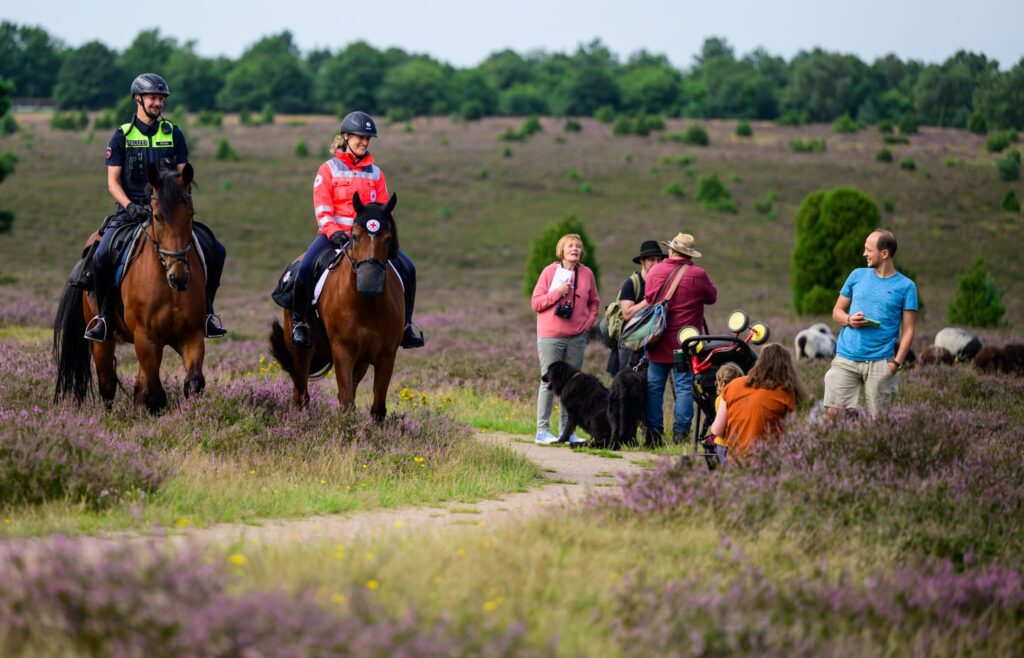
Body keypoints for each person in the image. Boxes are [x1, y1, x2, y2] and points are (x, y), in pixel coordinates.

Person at [85, 73, 227, 342]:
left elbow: (184, 175)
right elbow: (112, 183)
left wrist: (182, 201)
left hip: (169, 215)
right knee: (101, 255)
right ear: (138, 98)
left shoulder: (173, 133)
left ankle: (207, 313)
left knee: (217, 250)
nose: (158, 103)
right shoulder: (121, 136)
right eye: (153, 98)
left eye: (161, 98)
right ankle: (103, 318)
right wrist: (129, 206)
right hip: (131, 213)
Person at [291, 111, 424, 350]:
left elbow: (385, 210)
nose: (363, 142)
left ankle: (406, 327)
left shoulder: (376, 173)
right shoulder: (328, 169)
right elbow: (322, 208)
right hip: (335, 237)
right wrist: (333, 231)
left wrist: (384, 233)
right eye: (359, 137)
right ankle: (299, 323)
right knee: (305, 267)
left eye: (367, 138)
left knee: (409, 269)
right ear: (345, 136)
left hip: (369, 241)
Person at [824, 229, 917, 418]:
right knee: (833, 415)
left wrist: (896, 364)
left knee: (878, 422)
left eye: (868, 250)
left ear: (884, 254)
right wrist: (849, 320)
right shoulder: (857, 275)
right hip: (846, 359)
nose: (864, 253)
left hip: (881, 363)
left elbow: (908, 330)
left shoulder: (907, 287)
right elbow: (836, 312)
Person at [643, 233, 717, 447]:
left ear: (671, 250)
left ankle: (654, 436)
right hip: (686, 344)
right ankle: (681, 435)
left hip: (657, 340)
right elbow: (712, 298)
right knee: (684, 388)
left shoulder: (655, 271)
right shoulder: (698, 274)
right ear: (688, 253)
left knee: (654, 388)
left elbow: (648, 299)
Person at [531, 233, 600, 445]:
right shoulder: (549, 272)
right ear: (562, 250)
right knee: (548, 382)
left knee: (573, 386)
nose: (575, 249)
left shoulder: (587, 274)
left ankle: (566, 432)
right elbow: (536, 303)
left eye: (578, 246)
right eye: (570, 246)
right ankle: (542, 431)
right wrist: (557, 293)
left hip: (576, 338)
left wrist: (587, 324)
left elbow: (594, 302)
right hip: (551, 337)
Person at [710, 344, 807, 466]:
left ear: (759, 362)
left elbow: (717, 430)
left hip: (735, 460)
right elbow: (791, 432)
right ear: (787, 368)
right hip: (767, 461)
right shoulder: (786, 392)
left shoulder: (734, 385)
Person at [605, 240, 665, 376]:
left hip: (652, 342)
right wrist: (648, 301)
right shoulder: (632, 283)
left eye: (659, 260)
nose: (656, 264)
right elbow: (627, 313)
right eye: (651, 260)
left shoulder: (662, 284)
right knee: (626, 380)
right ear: (642, 261)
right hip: (630, 342)